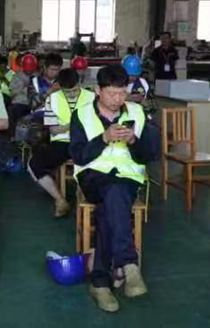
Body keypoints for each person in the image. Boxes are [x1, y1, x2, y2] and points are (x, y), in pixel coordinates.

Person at [69, 65, 160, 313]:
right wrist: (104, 139)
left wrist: (133, 141)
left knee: (111, 201)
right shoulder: (82, 114)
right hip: (92, 177)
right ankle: (128, 263)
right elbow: (78, 156)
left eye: (122, 93)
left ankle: (100, 282)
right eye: (111, 94)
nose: (117, 99)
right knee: (113, 194)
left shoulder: (137, 113)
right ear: (98, 90)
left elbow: (150, 155)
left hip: (127, 178)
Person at [29, 69, 95, 218]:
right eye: (67, 92)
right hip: (62, 141)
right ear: (59, 86)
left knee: (96, 162)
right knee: (34, 165)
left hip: (87, 140)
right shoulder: (52, 99)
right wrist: (73, 124)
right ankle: (60, 200)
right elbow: (53, 130)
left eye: (74, 90)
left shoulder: (93, 97)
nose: (71, 94)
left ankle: (89, 198)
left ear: (80, 83)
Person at [10, 53, 39, 128]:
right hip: (20, 103)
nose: (29, 71)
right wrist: (24, 86)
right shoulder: (16, 77)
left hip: (35, 104)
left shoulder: (38, 77)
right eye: (27, 69)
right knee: (17, 113)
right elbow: (12, 94)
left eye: (31, 69)